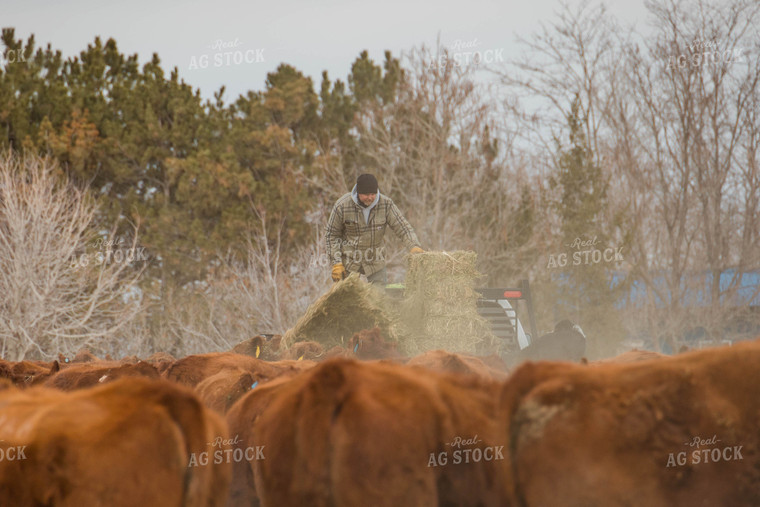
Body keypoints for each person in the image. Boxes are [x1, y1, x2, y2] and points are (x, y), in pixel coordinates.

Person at [326, 173, 424, 285]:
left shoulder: (386, 204)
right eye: (366, 194)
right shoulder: (342, 205)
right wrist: (336, 262)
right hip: (349, 260)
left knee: (379, 298)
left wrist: (414, 245)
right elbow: (331, 234)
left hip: (375, 260)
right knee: (347, 298)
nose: (370, 198)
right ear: (358, 192)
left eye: (373, 194)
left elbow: (403, 228)